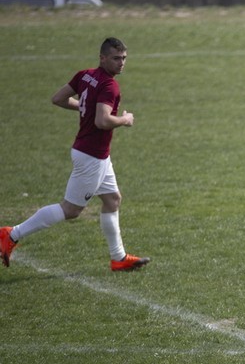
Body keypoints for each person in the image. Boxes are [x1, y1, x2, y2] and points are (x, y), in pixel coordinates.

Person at [1, 37, 150, 272]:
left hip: (93, 154)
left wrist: (84, 107)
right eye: (116, 58)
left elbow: (58, 99)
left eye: (124, 58)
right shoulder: (110, 86)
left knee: (112, 199)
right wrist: (125, 119)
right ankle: (12, 234)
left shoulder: (85, 75)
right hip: (92, 156)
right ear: (102, 58)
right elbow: (102, 121)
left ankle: (118, 258)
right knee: (70, 210)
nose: (121, 63)